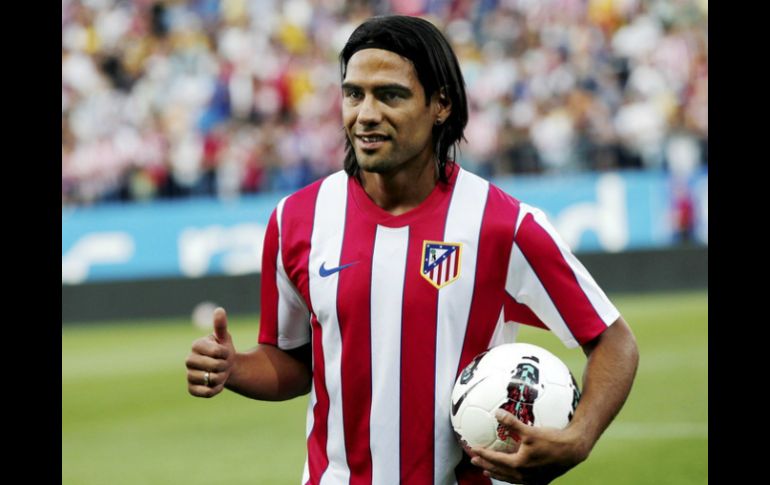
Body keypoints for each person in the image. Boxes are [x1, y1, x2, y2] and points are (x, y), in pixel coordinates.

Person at [185, 15, 639, 485]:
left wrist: (579, 436)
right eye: (354, 94)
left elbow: (614, 340)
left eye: (390, 95)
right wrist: (234, 368)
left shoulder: (504, 225)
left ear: (441, 104)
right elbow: (295, 362)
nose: (366, 114)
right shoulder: (296, 220)